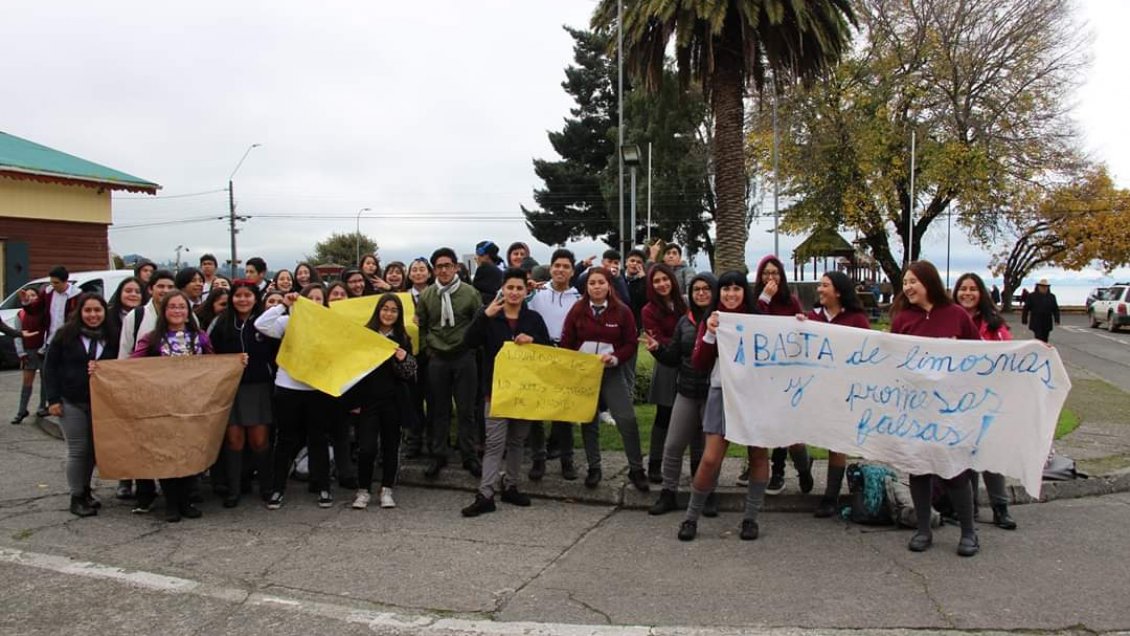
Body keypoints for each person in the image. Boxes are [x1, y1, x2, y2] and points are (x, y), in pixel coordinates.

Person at [891, 260, 981, 557]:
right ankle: (923, 528)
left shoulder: (956, 316)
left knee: (954, 471)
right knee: (919, 469)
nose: (908, 287)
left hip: (951, 410)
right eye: (905, 282)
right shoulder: (903, 319)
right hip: (916, 409)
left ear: (928, 282)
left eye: (913, 281)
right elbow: (889, 360)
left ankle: (969, 532)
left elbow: (982, 355)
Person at [677, 271, 767, 541]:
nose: (731, 294)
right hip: (721, 392)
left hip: (755, 396)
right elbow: (700, 362)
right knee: (710, 458)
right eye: (726, 289)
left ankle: (751, 518)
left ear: (745, 292)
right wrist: (710, 335)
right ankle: (691, 517)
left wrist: (798, 324)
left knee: (758, 455)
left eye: (737, 289)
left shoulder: (760, 320)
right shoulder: (712, 319)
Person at [461, 268, 551, 516]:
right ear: (503, 289)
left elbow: (549, 351)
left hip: (525, 391)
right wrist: (484, 315)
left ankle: (511, 485)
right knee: (494, 443)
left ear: (526, 291)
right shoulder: (490, 315)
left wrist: (533, 341)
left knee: (517, 440)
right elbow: (468, 341)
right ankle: (486, 494)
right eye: (510, 287)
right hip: (496, 391)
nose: (514, 292)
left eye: (519, 288)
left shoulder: (533, 319)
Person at [131, 290, 220, 523]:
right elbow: (132, 366)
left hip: (194, 404)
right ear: (164, 311)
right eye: (173, 307)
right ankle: (171, 502)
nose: (178, 311)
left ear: (188, 312)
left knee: (190, 451)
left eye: (182, 307)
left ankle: (186, 500)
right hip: (162, 404)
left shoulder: (200, 337)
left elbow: (214, 364)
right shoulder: (151, 339)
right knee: (167, 453)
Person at [560, 266, 649, 491]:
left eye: (601, 282)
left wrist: (617, 357)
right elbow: (567, 341)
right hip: (585, 374)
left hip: (611, 371)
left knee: (626, 418)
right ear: (586, 287)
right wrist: (575, 364)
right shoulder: (577, 310)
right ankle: (594, 467)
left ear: (609, 285)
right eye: (592, 283)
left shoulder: (622, 311)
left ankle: (636, 468)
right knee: (589, 420)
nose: (597, 287)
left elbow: (630, 342)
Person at [796, 271, 871, 518]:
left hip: (843, 391)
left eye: (824, 285)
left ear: (838, 291)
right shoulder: (811, 318)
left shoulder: (857, 320)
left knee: (836, 443)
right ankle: (803, 468)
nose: (819, 289)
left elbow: (868, 353)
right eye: (819, 284)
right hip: (812, 389)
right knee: (793, 433)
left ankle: (831, 496)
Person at [256, 284, 336, 510]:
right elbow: (261, 325)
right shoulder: (288, 321)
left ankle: (323, 487)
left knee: (318, 439)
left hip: (317, 389)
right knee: (285, 439)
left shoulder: (329, 324)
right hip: (287, 387)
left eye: (319, 299)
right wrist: (284, 304)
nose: (314, 302)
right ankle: (277, 488)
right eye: (310, 298)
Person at [645, 272, 716, 516]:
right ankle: (668, 493)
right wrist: (657, 349)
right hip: (685, 390)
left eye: (706, 288)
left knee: (705, 450)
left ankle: (706, 494)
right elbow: (673, 356)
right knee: (674, 444)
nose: (701, 293)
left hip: (712, 394)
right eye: (696, 289)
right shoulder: (684, 322)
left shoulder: (723, 321)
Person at [44, 293, 119, 517]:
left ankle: (86, 491)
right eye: (88, 311)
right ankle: (76, 497)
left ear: (105, 313)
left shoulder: (112, 337)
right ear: (80, 312)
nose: (93, 315)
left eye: (97, 310)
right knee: (78, 450)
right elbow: (49, 368)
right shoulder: (64, 335)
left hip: (100, 403)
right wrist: (53, 399)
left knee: (93, 452)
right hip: (70, 401)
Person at [954, 272, 1017, 530]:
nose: (967, 293)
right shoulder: (950, 320)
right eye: (962, 289)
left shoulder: (994, 325)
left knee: (989, 453)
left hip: (989, 398)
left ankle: (1000, 507)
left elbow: (1011, 355)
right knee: (964, 455)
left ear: (982, 293)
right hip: (958, 398)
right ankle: (969, 508)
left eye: (973, 289)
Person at [416, 247, 484, 479]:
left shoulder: (470, 293)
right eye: (439, 266)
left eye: (448, 265)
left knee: (466, 410)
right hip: (438, 358)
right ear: (434, 270)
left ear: (455, 267)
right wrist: (429, 350)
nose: (443, 270)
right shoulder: (427, 295)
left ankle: (469, 455)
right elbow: (423, 325)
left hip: (464, 357)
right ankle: (438, 455)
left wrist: (472, 349)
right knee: (438, 410)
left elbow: (478, 323)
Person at [209, 280, 274, 508]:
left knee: (259, 440)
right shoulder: (221, 324)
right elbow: (210, 354)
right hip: (231, 389)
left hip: (259, 388)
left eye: (248, 295)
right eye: (238, 296)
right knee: (234, 441)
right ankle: (233, 489)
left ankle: (267, 486)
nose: (243, 300)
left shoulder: (265, 324)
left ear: (256, 299)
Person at [752, 255, 813, 495]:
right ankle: (772, 468)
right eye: (766, 273)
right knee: (767, 422)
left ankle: (787, 469)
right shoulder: (757, 300)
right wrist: (765, 298)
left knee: (785, 425)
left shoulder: (792, 301)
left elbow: (801, 332)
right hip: (763, 372)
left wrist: (801, 322)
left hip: (788, 371)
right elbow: (755, 321)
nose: (771, 278)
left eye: (775, 273)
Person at [350, 294, 417, 510]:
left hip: (394, 400)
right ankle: (363, 490)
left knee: (391, 446)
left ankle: (387, 489)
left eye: (394, 310)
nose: (388, 313)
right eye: (385, 309)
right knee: (367, 448)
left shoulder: (403, 338)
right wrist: (355, 401)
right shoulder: (365, 335)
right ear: (378, 311)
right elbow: (354, 369)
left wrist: (402, 358)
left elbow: (410, 373)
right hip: (368, 400)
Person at [526, 249, 584, 481]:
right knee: (536, 411)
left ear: (572, 271)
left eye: (565, 266)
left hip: (566, 356)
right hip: (539, 354)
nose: (560, 270)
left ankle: (566, 459)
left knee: (564, 411)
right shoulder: (536, 294)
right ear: (550, 268)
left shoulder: (579, 298)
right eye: (556, 265)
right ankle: (538, 459)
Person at [640, 263, 688, 483]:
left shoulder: (685, 303)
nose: (662, 284)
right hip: (667, 365)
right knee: (664, 416)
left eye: (665, 279)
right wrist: (681, 343)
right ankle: (655, 464)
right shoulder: (648, 310)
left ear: (673, 280)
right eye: (656, 281)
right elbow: (657, 339)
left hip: (690, 364)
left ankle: (677, 463)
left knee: (690, 418)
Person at [403, 257, 434, 459]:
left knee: (435, 400)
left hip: (433, 353)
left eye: (422, 269)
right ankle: (414, 441)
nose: (418, 273)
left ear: (429, 273)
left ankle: (435, 441)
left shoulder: (437, 294)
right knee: (413, 400)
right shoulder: (403, 297)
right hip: (410, 355)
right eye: (414, 269)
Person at [9, 288, 45, 424]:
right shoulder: (21, 314)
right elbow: (17, 334)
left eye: (33, 295)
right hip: (28, 350)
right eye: (27, 295)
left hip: (42, 349)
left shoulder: (43, 312)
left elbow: (48, 330)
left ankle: (42, 406)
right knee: (27, 381)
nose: (30, 298)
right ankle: (21, 410)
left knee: (45, 379)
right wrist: (21, 352)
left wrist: (44, 348)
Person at [1021, 278, 1060, 343]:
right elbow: (1026, 308)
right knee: (1038, 338)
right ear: (1038, 287)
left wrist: (1057, 320)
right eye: (1042, 286)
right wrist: (1024, 319)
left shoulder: (1051, 296)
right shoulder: (1032, 296)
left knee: (1045, 339)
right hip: (1036, 321)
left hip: (1047, 321)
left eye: (1046, 287)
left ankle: (1044, 351)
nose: (1044, 288)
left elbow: (1055, 309)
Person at [623, 249, 649, 328]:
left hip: (635, 322)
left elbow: (645, 301)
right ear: (626, 262)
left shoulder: (645, 280)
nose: (635, 264)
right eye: (632, 261)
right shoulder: (618, 277)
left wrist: (643, 280)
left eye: (639, 262)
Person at [472, 241, 504, 305]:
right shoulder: (504, 271)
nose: (475, 258)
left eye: (478, 254)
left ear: (487, 255)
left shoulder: (483, 271)